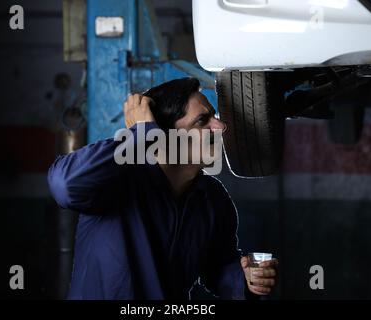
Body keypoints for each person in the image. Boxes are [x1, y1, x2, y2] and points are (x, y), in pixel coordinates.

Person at [47, 77, 278, 299]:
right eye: (202, 121)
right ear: (165, 138)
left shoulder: (212, 198)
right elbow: (65, 184)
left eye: (214, 117)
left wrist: (245, 279)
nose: (221, 126)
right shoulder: (118, 182)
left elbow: (218, 268)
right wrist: (139, 136)